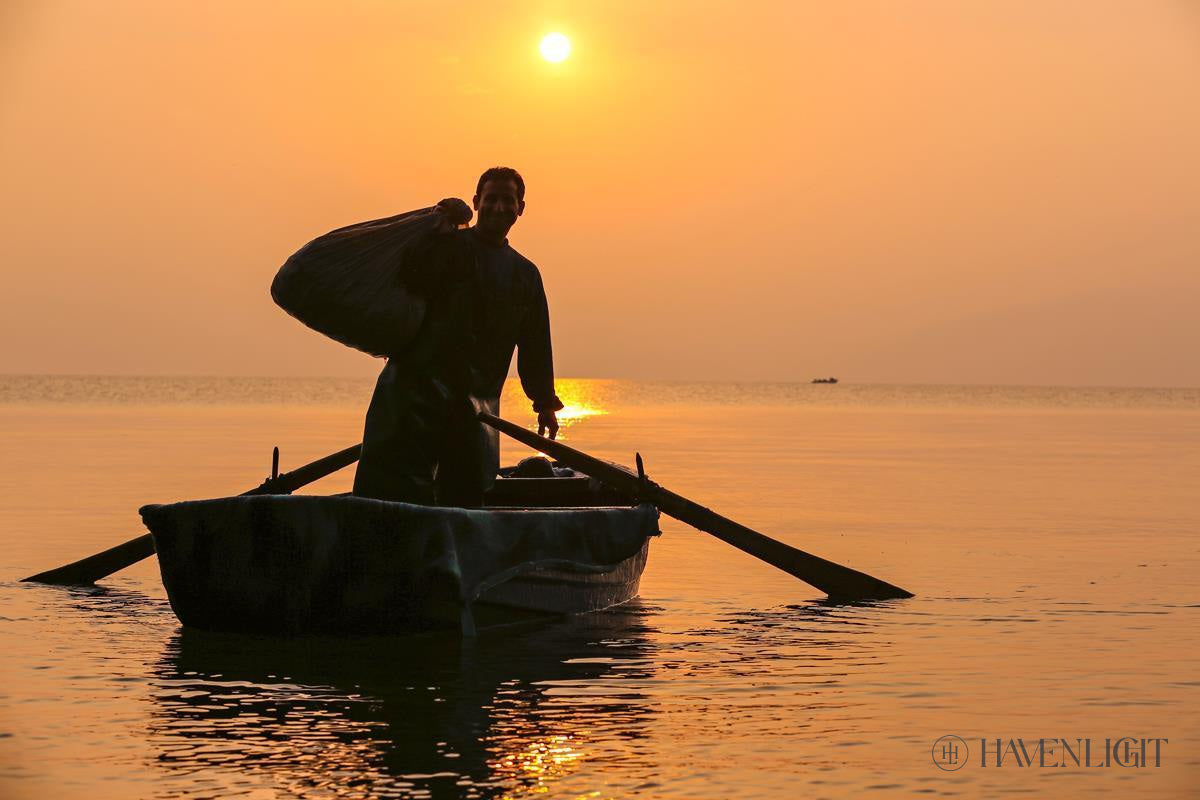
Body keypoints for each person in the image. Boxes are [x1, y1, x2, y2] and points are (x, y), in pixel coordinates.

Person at [352, 167, 563, 507]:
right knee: (387, 499)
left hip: (473, 412)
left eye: (507, 201)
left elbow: (535, 346)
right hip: (410, 399)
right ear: (477, 202)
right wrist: (431, 228)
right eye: (491, 199)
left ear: (520, 208)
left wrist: (544, 404)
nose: (498, 207)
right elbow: (408, 276)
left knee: (463, 502)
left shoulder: (525, 275)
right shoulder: (447, 248)